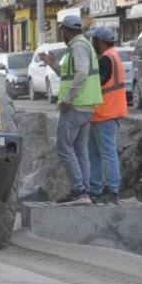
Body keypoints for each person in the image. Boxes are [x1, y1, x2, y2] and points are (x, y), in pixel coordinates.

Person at [43, 11, 101, 205]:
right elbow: (71, 75)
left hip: (76, 106)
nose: (62, 35)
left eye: (62, 31)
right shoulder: (82, 45)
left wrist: (68, 98)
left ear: (67, 31)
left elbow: (82, 74)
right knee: (80, 149)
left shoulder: (78, 46)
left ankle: (79, 190)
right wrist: (53, 65)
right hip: (85, 106)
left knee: (64, 147)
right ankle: (85, 190)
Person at [88, 27, 127, 204]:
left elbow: (98, 84)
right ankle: (96, 189)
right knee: (96, 153)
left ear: (101, 41)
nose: (93, 44)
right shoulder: (114, 55)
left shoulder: (105, 59)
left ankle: (111, 190)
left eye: (95, 41)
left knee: (107, 153)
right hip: (104, 113)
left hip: (105, 112)